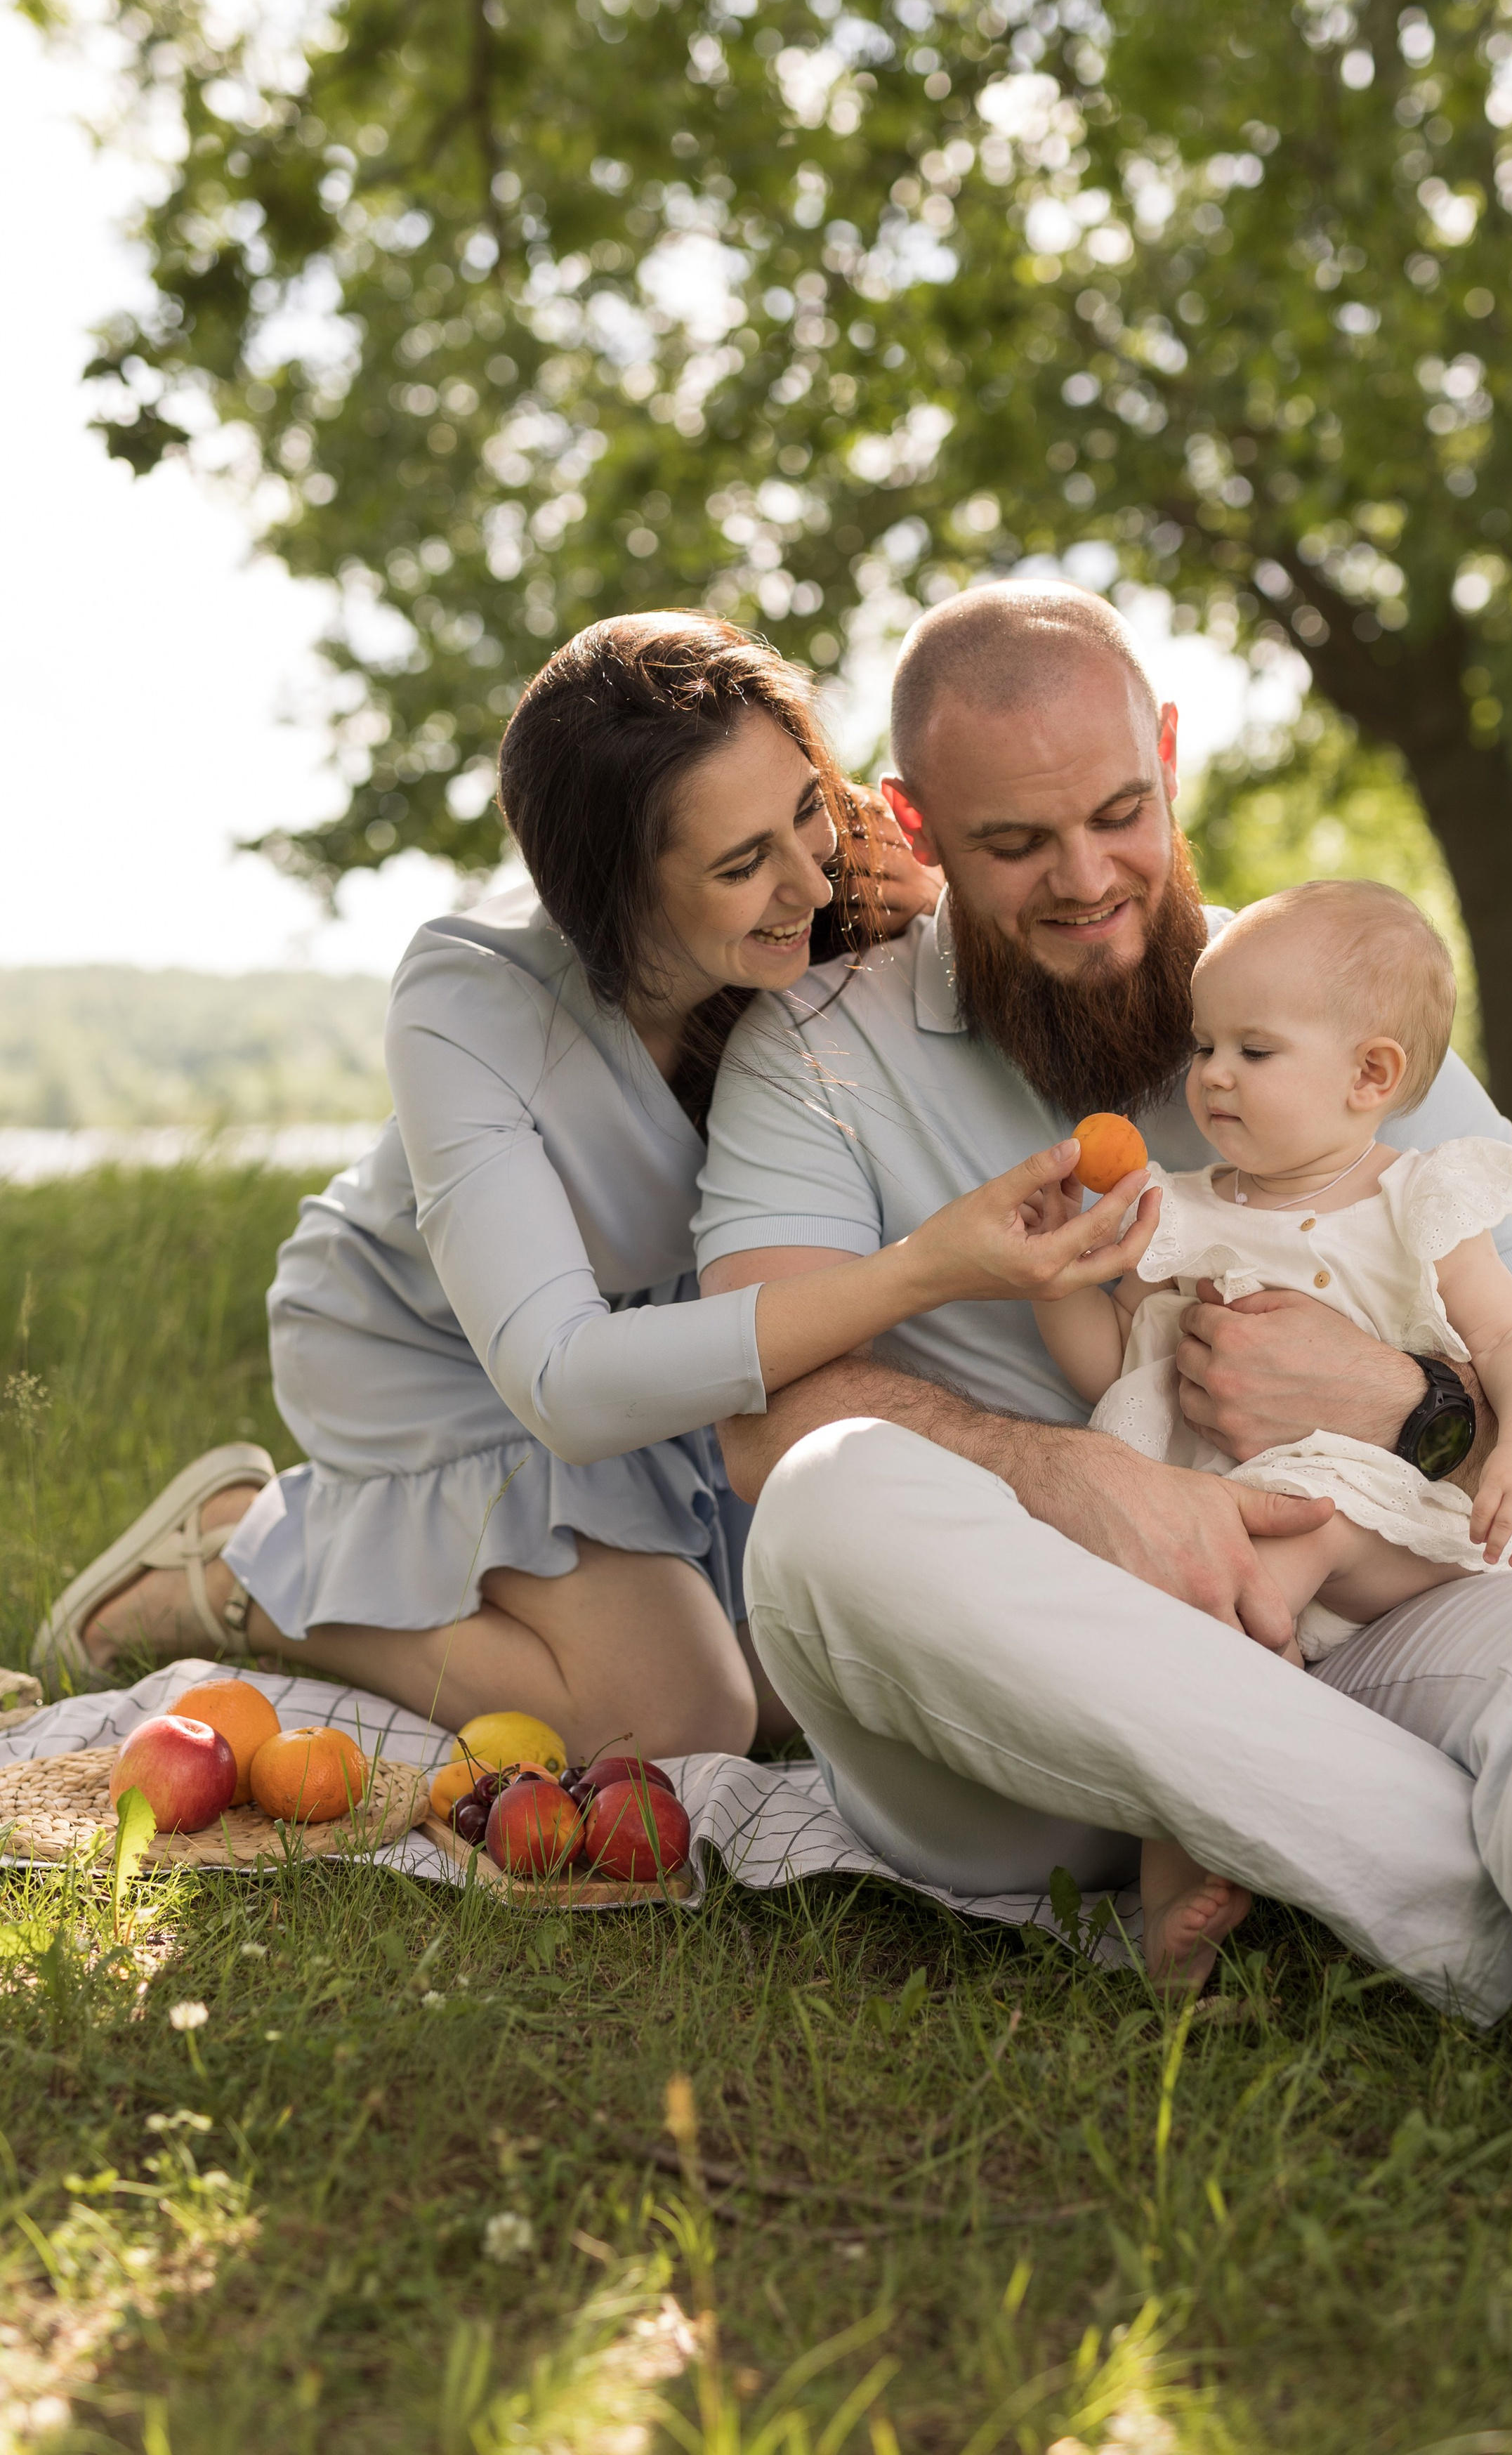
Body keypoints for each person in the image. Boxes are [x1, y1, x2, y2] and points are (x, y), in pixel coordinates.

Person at [692, 578, 1512, 2377]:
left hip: (1335, 1609)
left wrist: (1404, 1396)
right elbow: (758, 1402)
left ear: (1172, 759)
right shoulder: (819, 1057)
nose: (1089, 877)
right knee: (826, 1502)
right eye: (1017, 841)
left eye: (1121, 812)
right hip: (1016, 1721)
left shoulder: (1326, 992)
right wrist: (1074, 1479)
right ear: (912, 831)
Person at [36, 613, 1157, 1765]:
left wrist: (939, 907)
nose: (808, 880)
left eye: (807, 811)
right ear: (617, 893)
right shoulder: (467, 997)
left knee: (799, 1684)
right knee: (676, 1716)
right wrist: (925, 1270)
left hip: (683, 1337)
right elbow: (564, 1383)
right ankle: (243, 1566)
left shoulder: (841, 876)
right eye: (740, 865)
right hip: (445, 1355)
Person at [1032, 876, 1512, 1981]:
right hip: (1214, 1545)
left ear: (1370, 1076)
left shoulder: (1420, 1201)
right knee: (1175, 1684)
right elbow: (1118, 1372)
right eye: (1206, 1045)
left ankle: (1282, 1586)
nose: (1213, 1075)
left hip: (1381, 1545)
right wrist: (1049, 1286)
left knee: (1325, 1495)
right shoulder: (1178, 1213)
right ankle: (1176, 1919)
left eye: (1255, 1052)